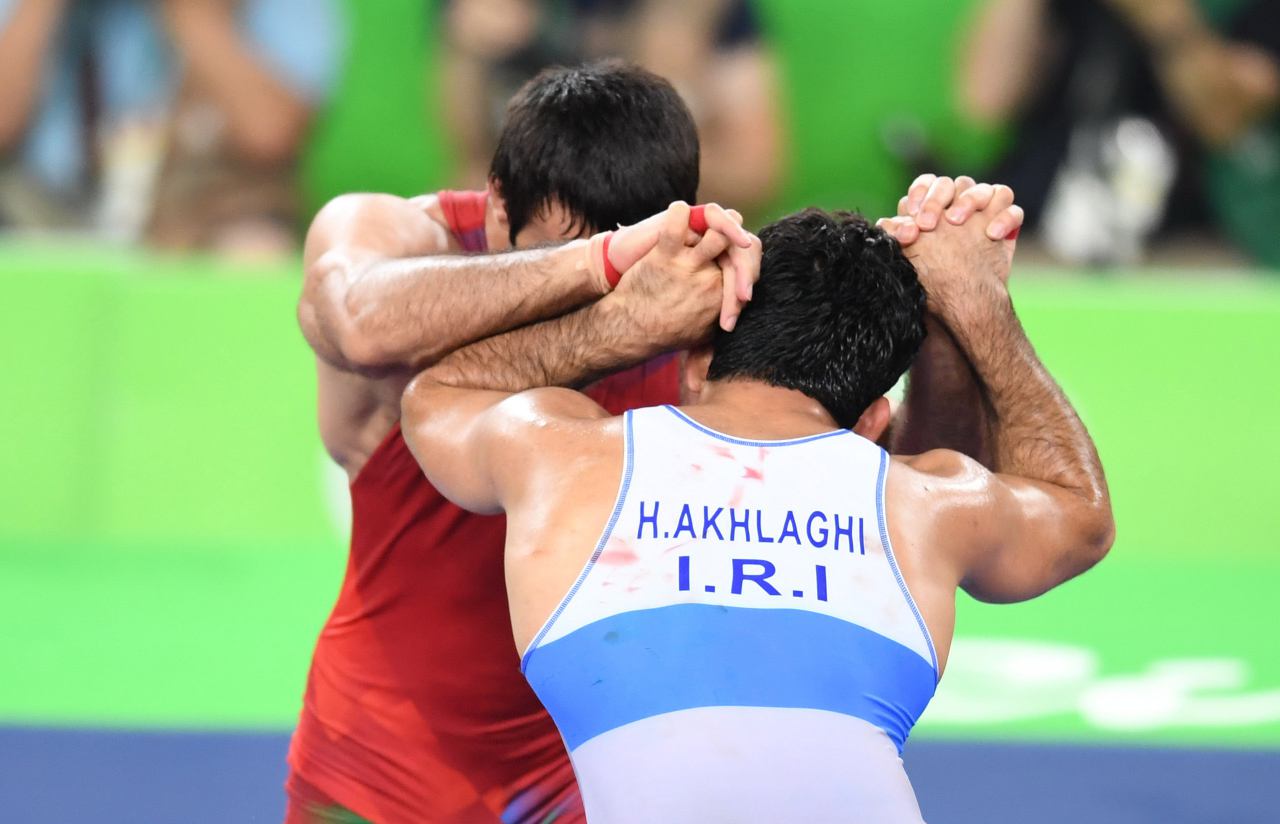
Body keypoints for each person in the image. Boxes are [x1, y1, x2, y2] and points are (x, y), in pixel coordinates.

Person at [399, 191, 1114, 821]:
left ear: (695, 361)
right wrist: (975, 304)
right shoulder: (927, 500)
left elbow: (437, 396)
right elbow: (1078, 514)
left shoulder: (559, 454)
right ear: (874, 421)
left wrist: (626, 321)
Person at [291, 60, 760, 824]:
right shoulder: (396, 233)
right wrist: (602, 267)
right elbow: (356, 321)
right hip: (380, 769)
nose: (611, 291)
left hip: (580, 778)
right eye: (548, 251)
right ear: (496, 204)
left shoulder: (690, 289)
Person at [0, 0, 341, 255]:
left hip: (194, 214)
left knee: (255, 249)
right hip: (39, 211)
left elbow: (269, 134)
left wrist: (193, 18)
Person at [442, 0, 784, 218]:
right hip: (540, 242)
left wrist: (674, 89)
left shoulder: (701, 11)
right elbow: (474, 164)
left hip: (660, 236)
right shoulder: (495, 12)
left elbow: (751, 177)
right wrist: (475, 61)